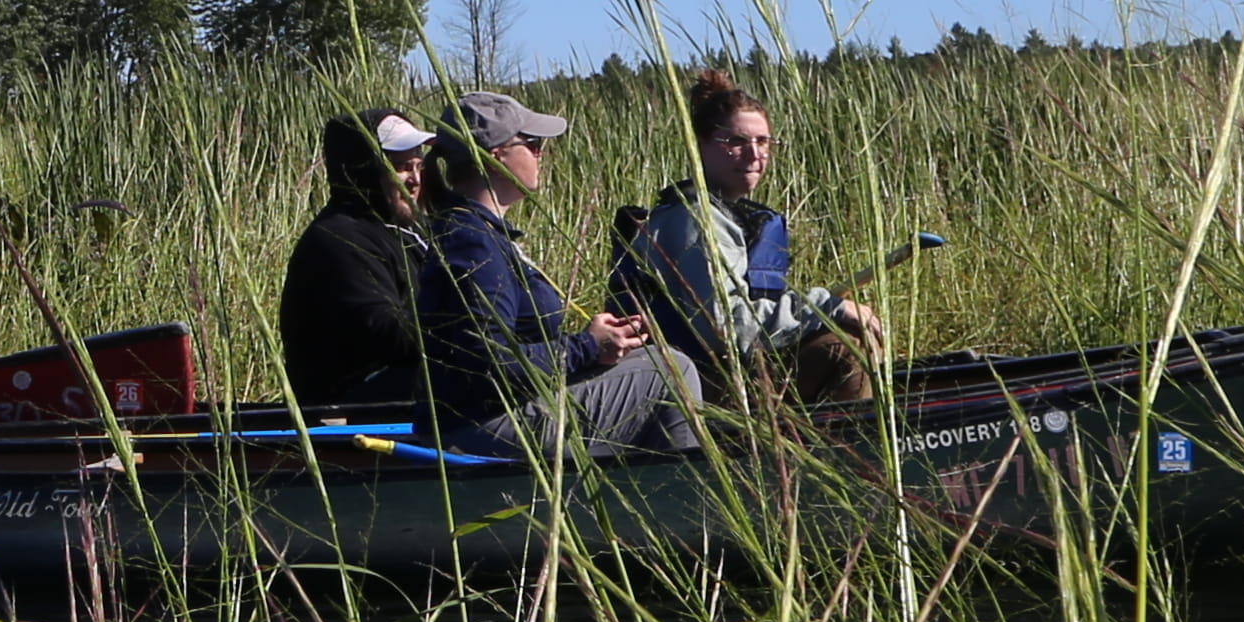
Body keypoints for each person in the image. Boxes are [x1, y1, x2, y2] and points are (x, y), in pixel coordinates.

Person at [419, 90, 703, 459]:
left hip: (487, 415)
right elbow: (489, 363)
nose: (542, 155)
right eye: (533, 144)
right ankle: (686, 490)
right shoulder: (472, 242)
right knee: (671, 369)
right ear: (496, 158)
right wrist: (586, 346)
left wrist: (597, 346)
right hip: (485, 426)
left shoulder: (475, 232)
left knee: (659, 359)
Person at [609, 75, 879, 406]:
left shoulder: (721, 213)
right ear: (702, 145)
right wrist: (827, 307)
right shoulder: (696, 220)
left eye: (763, 142)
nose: (754, 155)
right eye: (736, 142)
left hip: (723, 368)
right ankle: (847, 452)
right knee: (845, 350)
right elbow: (726, 326)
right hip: (694, 382)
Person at [277, 111, 439, 414]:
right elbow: (388, 334)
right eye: (402, 168)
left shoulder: (408, 232)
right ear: (364, 171)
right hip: (348, 407)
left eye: (419, 166)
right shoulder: (338, 240)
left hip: (397, 387)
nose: (415, 180)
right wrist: (469, 332)